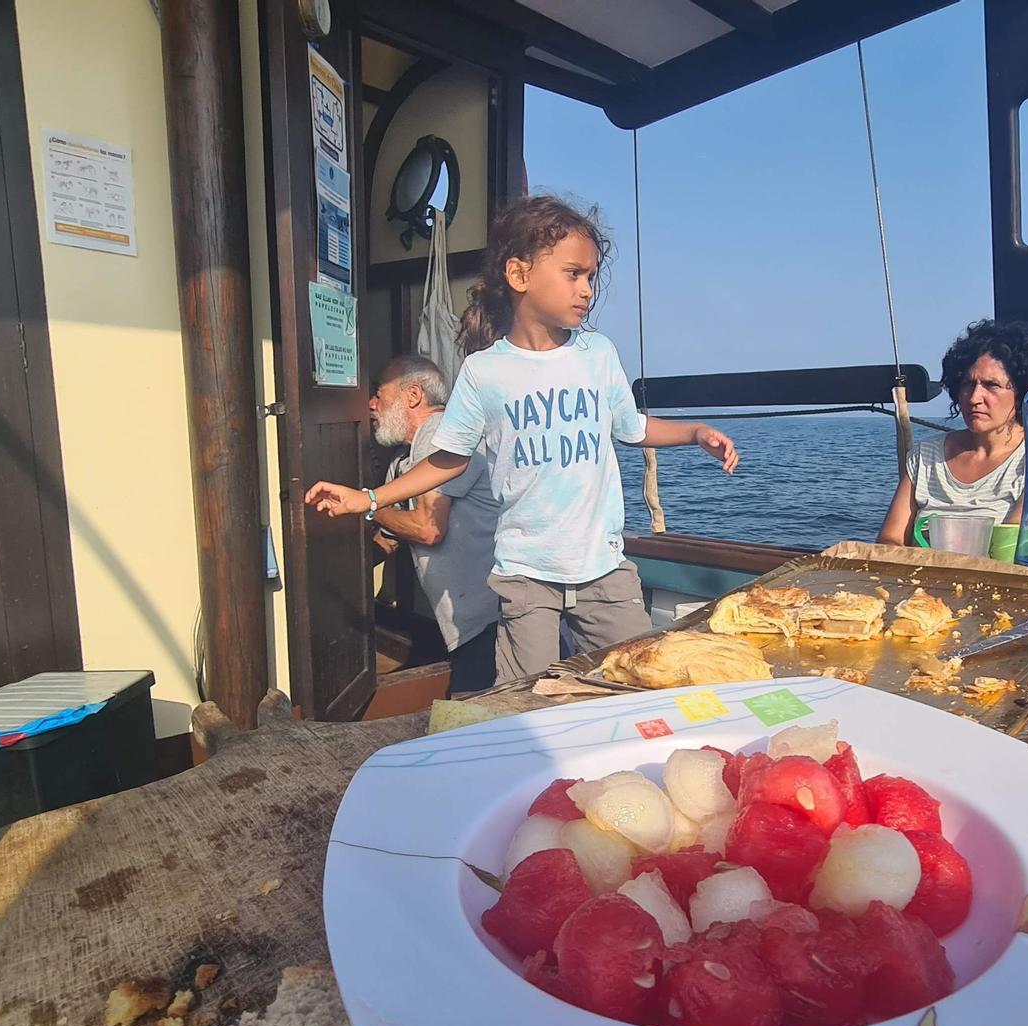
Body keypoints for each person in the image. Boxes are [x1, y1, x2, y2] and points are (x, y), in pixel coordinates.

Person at [305, 195, 739, 683]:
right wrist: (367, 498)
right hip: (526, 579)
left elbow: (633, 428)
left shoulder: (598, 355)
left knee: (638, 681)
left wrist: (694, 432)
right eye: (573, 274)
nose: (586, 290)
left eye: (591, 277)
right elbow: (446, 460)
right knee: (525, 700)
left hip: (603, 569)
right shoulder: (484, 372)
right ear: (519, 275)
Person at [368, 354, 502, 693]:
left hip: (493, 621)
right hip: (464, 625)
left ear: (413, 396)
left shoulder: (441, 432)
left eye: (378, 394)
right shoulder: (403, 460)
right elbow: (392, 537)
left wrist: (368, 506)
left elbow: (428, 528)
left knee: (476, 725)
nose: (371, 405)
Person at [877, 319, 1028, 545]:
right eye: (967, 384)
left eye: (991, 385)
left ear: (1022, 392)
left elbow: (1011, 550)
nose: (974, 398)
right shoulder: (926, 456)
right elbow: (890, 539)